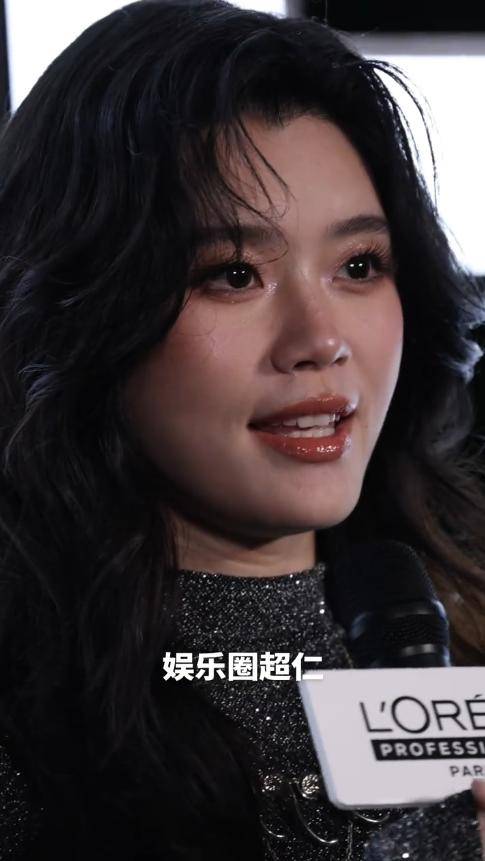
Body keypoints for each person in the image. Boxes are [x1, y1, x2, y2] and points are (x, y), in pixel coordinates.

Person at [0, 0, 484, 858]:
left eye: (358, 265)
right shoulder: (28, 736)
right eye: (232, 273)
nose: (320, 340)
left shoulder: (451, 627)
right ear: (84, 313)